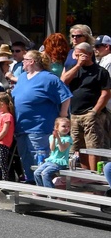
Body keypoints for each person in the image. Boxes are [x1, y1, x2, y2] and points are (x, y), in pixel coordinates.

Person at [10, 50, 72, 184]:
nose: (22, 62)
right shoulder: (22, 77)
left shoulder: (49, 78)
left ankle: (44, 187)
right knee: (25, 157)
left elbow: (66, 97)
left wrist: (62, 115)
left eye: (25, 59)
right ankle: (32, 183)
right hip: (21, 127)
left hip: (40, 127)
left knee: (40, 158)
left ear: (32, 62)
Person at [61, 41, 111, 172]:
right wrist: (78, 65)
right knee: (78, 147)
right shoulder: (75, 69)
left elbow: (106, 94)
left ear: (89, 54)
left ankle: (94, 176)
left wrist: (95, 111)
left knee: (93, 146)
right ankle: (85, 176)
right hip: (75, 114)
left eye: (80, 55)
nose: (77, 57)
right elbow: (63, 81)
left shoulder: (100, 72)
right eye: (76, 55)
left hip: (91, 114)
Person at [35, 118, 74, 188]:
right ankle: (41, 190)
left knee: (45, 173)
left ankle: (51, 191)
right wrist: (54, 138)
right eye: (64, 126)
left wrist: (58, 139)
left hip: (60, 162)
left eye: (68, 126)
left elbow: (62, 149)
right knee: (37, 173)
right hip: (51, 160)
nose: (66, 128)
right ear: (56, 127)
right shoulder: (51, 137)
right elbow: (52, 148)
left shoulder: (68, 138)